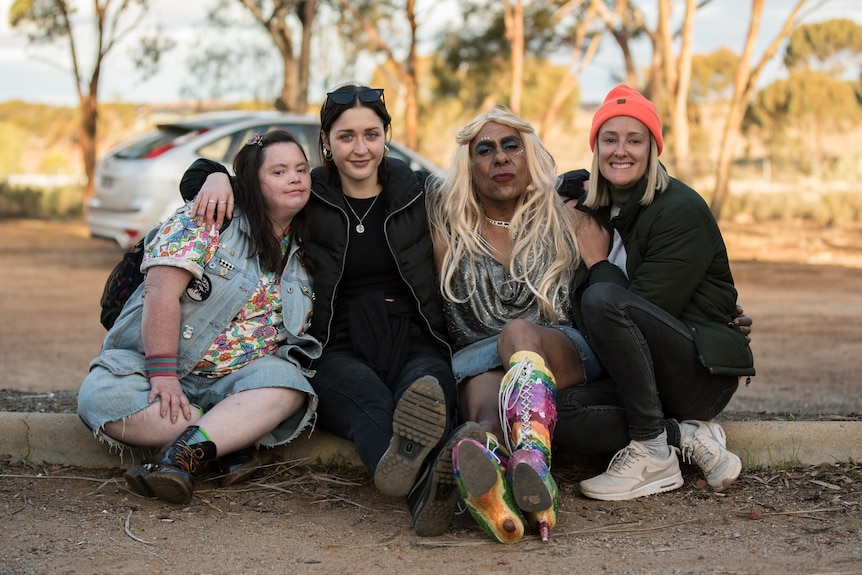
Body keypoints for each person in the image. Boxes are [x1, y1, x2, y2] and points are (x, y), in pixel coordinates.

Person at [184, 84, 484, 537]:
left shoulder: (419, 190)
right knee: (373, 407)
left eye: (371, 134)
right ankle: (434, 493)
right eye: (346, 137)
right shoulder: (309, 191)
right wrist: (215, 174)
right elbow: (233, 182)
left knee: (428, 397)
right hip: (334, 342)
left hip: (414, 336)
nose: (360, 148)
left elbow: (490, 188)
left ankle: (428, 491)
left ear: (386, 135)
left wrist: (571, 186)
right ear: (326, 141)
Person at [77, 130, 321, 504]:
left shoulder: (308, 245)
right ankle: (226, 441)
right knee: (100, 398)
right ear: (252, 183)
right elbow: (161, 292)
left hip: (236, 381)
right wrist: (162, 373)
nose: (294, 178)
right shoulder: (210, 216)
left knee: (290, 388)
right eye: (279, 171)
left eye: (301, 170)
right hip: (150, 369)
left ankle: (181, 455)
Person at [555, 84, 755, 502]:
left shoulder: (677, 210)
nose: (620, 151)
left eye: (635, 140)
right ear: (596, 149)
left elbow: (637, 315)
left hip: (698, 373)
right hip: (638, 373)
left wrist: (598, 263)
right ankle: (684, 435)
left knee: (602, 299)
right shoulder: (598, 205)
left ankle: (651, 450)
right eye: (609, 139)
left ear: (653, 149)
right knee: (559, 413)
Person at [425, 106, 606, 544]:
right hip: (479, 359)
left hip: (557, 345)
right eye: (484, 150)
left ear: (531, 157)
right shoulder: (447, 228)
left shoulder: (570, 219)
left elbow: (614, 293)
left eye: (512, 146)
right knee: (484, 423)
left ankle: (532, 462)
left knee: (517, 334)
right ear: (470, 166)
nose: (500, 158)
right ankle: (503, 507)